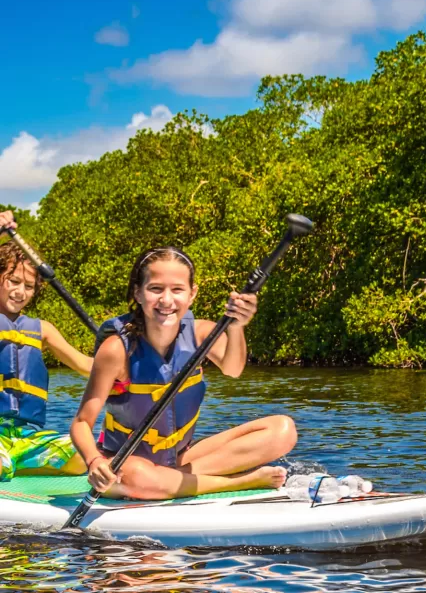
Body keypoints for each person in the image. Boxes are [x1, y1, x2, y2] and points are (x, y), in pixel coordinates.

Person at [70, 246, 297, 500]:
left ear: (192, 294)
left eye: (177, 289)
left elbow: (233, 369)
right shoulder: (116, 350)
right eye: (155, 289)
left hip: (180, 458)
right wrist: (93, 462)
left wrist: (237, 327)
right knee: (137, 476)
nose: (167, 300)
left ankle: (174, 480)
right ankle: (241, 481)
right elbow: (81, 423)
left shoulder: (201, 334)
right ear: (138, 293)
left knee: (283, 429)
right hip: (126, 464)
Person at [0, 210, 92, 481]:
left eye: (29, 286)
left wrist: (126, 368)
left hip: (29, 435)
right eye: (13, 281)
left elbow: (87, 366)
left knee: (81, 456)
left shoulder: (43, 330)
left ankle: (18, 467)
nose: (21, 292)